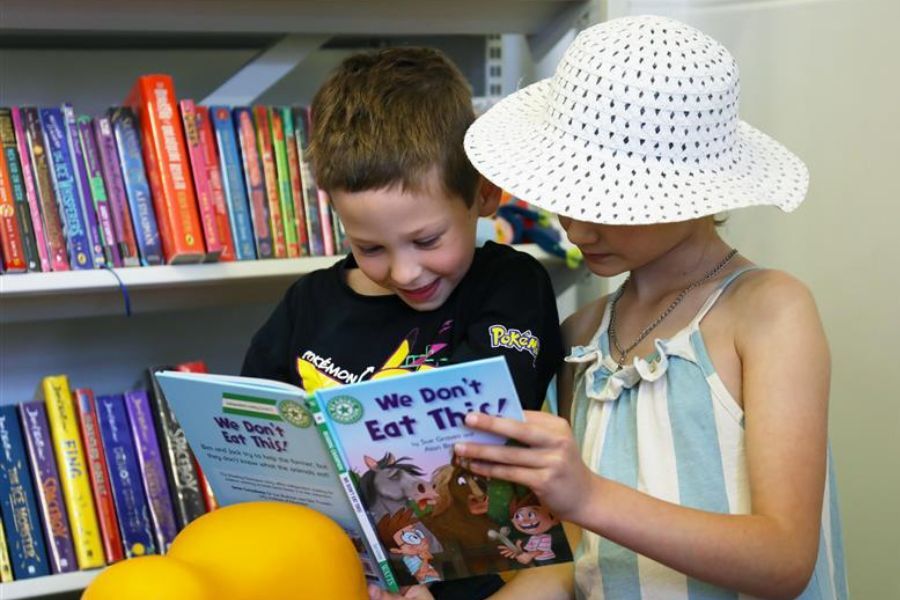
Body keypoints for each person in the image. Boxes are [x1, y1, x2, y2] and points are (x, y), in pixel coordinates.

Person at [373, 14, 847, 600]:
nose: (574, 225)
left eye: (604, 200)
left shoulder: (769, 312)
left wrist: (590, 495)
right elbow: (572, 564)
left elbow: (784, 559)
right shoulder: (581, 337)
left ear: (693, 190)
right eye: (564, 195)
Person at [240, 47, 565, 600]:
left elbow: (491, 402)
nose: (404, 270)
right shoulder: (308, 304)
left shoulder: (509, 284)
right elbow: (257, 428)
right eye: (370, 247)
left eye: (427, 240)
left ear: (483, 195)